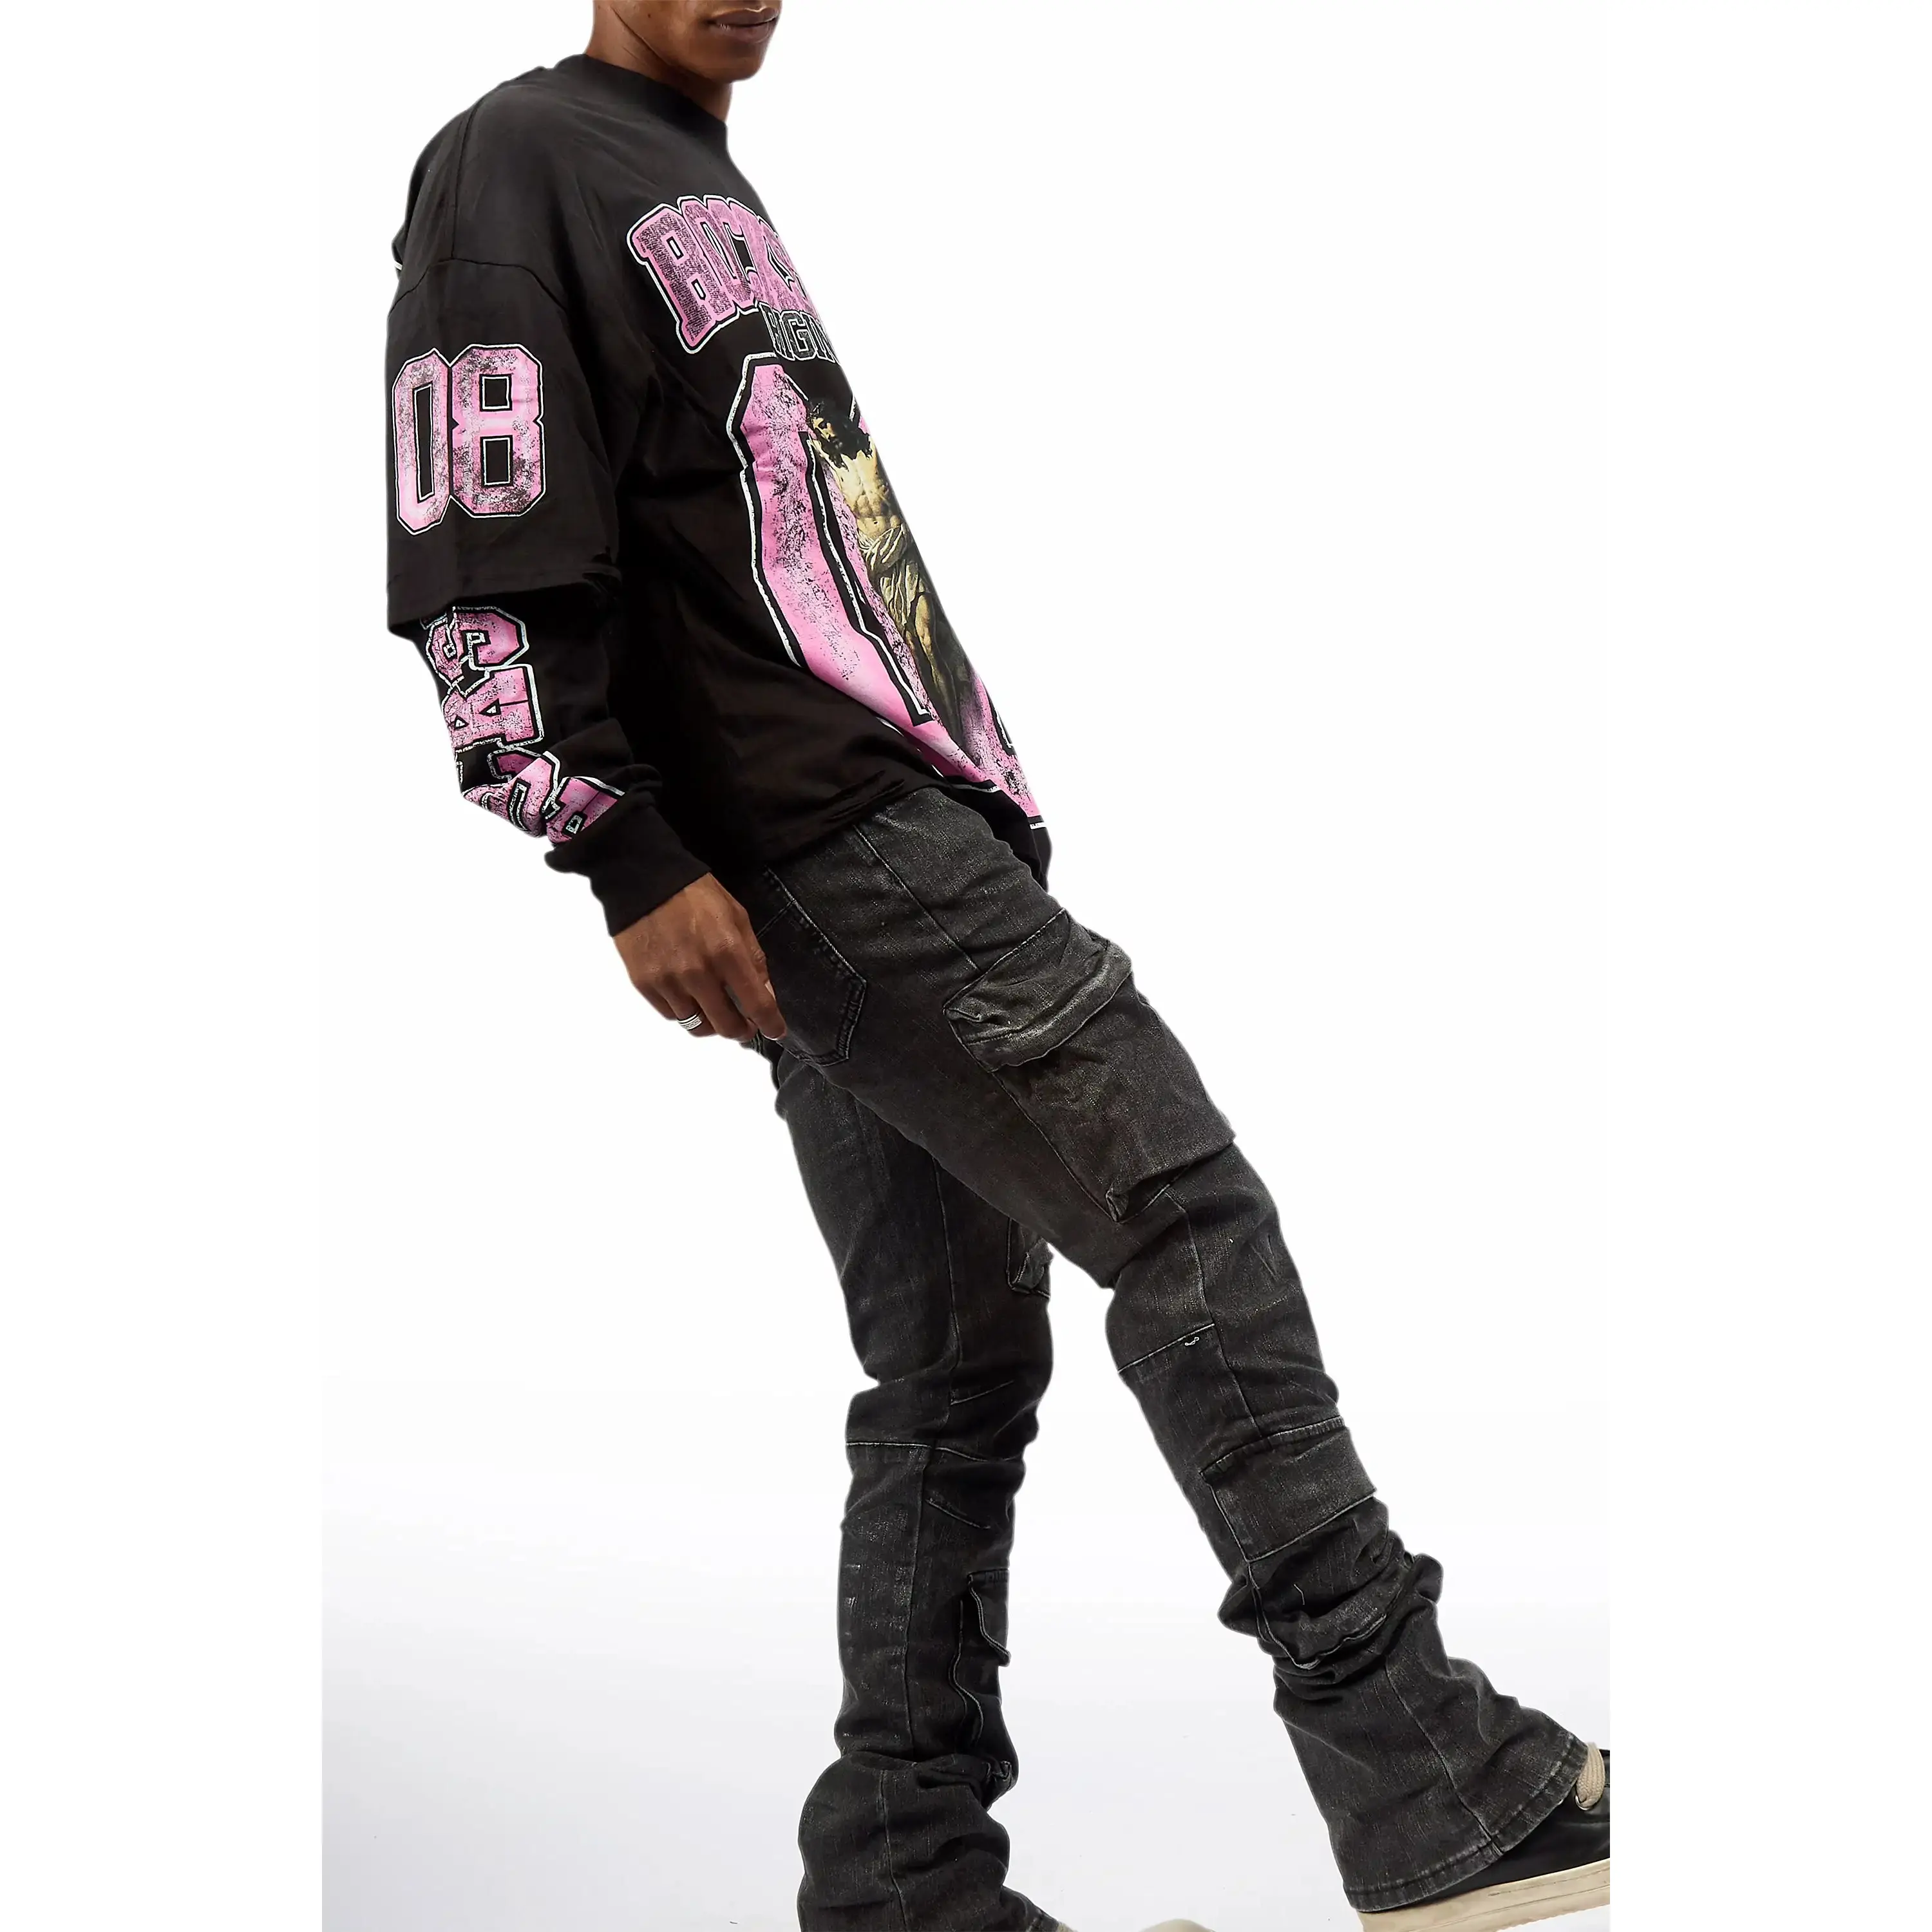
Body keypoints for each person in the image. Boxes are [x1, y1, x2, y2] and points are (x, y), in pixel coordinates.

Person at [381, 6, 1610, 1929]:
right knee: (1188, 1220)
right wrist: (611, 841)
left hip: (859, 827)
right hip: (823, 839)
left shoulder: (681, 160)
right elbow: (476, 521)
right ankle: (1430, 1777)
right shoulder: (520, 156)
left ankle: (901, 1875)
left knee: (953, 1371)